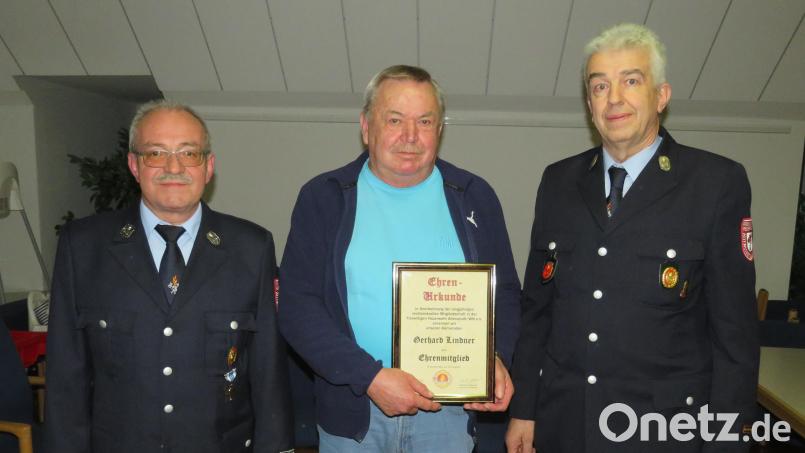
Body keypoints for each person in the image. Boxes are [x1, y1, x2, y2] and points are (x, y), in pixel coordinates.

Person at [506, 23, 758, 453]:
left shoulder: (715, 183)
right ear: (589, 103)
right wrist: (524, 408)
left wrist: (725, 442)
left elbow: (735, 339)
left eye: (631, 81)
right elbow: (537, 312)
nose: (614, 98)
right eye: (600, 86)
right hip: (564, 425)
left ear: (661, 95)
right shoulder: (559, 182)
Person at [279, 65, 521, 452]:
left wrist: (495, 356)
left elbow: (505, 293)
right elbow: (298, 307)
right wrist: (370, 378)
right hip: (354, 411)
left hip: (448, 414)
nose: (410, 136)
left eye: (424, 121)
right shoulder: (324, 198)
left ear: (439, 130)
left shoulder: (475, 196)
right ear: (366, 127)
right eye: (394, 120)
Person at [44, 100, 294, 453]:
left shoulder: (251, 247)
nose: (173, 167)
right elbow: (65, 375)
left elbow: (268, 371)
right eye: (156, 153)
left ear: (208, 166)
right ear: (134, 165)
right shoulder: (84, 246)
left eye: (188, 153)